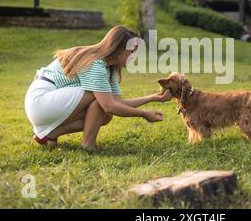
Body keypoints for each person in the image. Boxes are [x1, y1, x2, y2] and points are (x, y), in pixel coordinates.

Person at [24, 25, 172, 150]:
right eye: (132, 51)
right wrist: (143, 114)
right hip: (41, 101)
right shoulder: (95, 63)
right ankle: (88, 144)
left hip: (50, 103)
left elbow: (116, 103)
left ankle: (50, 134)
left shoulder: (109, 68)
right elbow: (109, 105)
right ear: (119, 48)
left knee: (105, 114)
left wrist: (153, 98)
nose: (134, 56)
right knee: (103, 103)